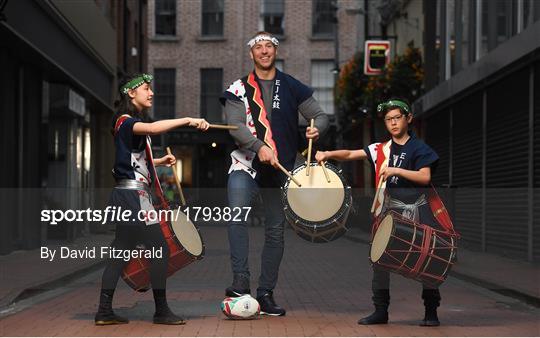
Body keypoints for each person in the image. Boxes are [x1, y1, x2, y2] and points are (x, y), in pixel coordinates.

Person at [220, 31, 329, 316]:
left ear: (276, 51)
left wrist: (318, 129)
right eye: (259, 47)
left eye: (269, 46)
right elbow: (235, 127)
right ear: (251, 54)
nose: (264, 51)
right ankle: (240, 280)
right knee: (237, 215)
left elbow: (320, 115)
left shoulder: (291, 86)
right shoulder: (238, 89)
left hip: (281, 170)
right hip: (245, 163)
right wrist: (258, 146)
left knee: (276, 231)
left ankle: (266, 293)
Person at [94, 73, 209, 326]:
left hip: (130, 195)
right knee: (161, 248)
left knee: (120, 251)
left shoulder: (129, 124)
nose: (151, 93)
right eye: (146, 88)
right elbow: (154, 129)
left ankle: (104, 311)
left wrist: (157, 162)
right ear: (131, 93)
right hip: (134, 197)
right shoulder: (126, 122)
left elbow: (130, 163)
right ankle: (160, 310)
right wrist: (188, 119)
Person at [315, 99, 442, 326]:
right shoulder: (380, 149)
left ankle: (431, 312)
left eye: (397, 118)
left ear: (408, 119)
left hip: (417, 210)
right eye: (388, 119)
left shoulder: (419, 148)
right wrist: (327, 153)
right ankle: (380, 311)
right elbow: (351, 154)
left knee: (425, 260)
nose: (393, 123)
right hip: (389, 212)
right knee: (380, 262)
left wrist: (395, 170)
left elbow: (425, 177)